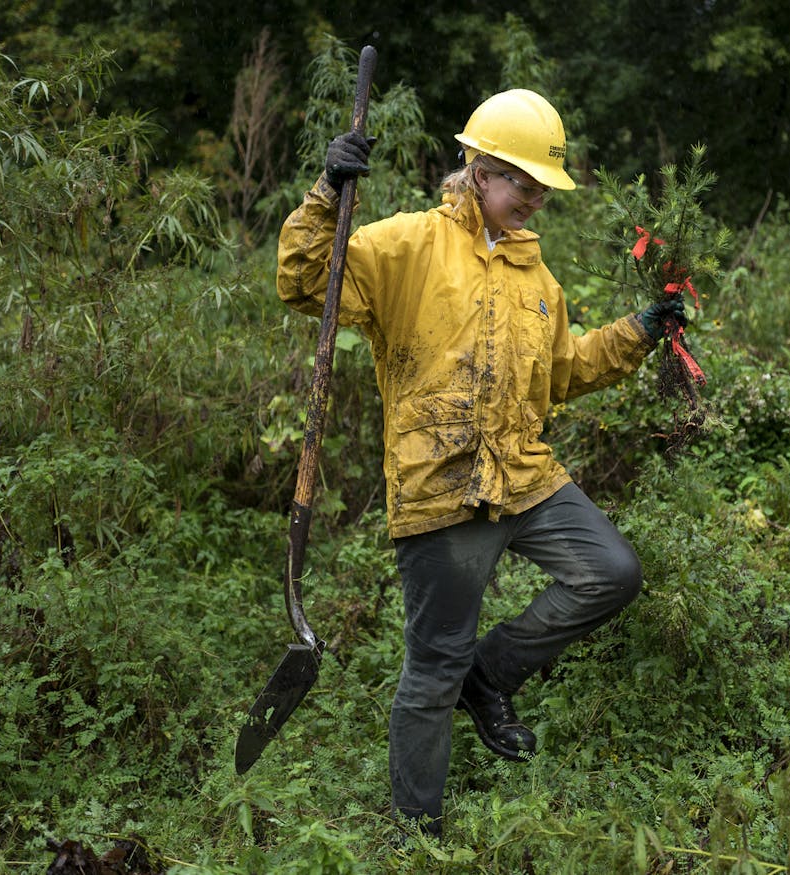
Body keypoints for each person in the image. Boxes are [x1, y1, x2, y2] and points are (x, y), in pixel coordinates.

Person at [276, 88, 685, 837]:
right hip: (443, 486)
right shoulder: (405, 246)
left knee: (611, 571)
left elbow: (564, 371)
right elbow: (306, 281)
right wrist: (328, 192)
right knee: (431, 670)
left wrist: (637, 331)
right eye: (520, 182)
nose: (532, 199)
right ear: (478, 167)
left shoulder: (538, 280)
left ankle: (489, 675)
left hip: (523, 474)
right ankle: (416, 833)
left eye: (540, 188)